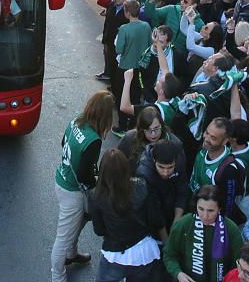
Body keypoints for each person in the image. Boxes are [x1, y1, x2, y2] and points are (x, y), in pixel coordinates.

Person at [51, 90, 114, 282]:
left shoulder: (77, 119)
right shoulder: (93, 140)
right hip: (73, 191)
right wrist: (97, 184)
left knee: (76, 223)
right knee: (63, 237)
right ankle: (57, 277)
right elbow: (84, 175)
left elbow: (64, 142)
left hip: (62, 178)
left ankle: (71, 254)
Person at [88, 148, 165, 282]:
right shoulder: (142, 187)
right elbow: (155, 220)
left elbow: (99, 230)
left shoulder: (96, 196)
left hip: (115, 253)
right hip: (144, 253)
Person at [163, 185, 244, 282]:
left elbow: (239, 264)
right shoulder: (184, 224)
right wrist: (178, 273)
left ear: (220, 208)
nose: (205, 216)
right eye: (200, 209)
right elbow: (169, 255)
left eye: (210, 210)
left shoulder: (231, 229)